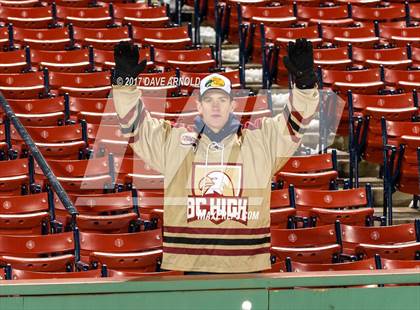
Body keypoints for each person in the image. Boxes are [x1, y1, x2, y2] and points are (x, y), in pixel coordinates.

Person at [111, 39, 319, 273]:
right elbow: (135, 125)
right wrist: (124, 85)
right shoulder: (175, 141)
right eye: (209, 100)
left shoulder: (260, 141)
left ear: (232, 106)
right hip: (193, 264)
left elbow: (296, 122)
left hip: (246, 265)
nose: (216, 106)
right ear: (199, 106)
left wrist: (304, 85)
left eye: (222, 99)